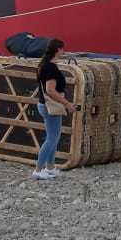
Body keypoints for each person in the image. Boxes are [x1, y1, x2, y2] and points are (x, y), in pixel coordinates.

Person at [32, 39, 79, 180]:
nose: (64, 52)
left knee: (53, 137)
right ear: (58, 49)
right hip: (50, 107)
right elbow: (50, 90)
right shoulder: (51, 67)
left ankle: (50, 168)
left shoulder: (44, 65)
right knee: (52, 139)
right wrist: (67, 104)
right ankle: (38, 170)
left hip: (43, 105)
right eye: (63, 49)